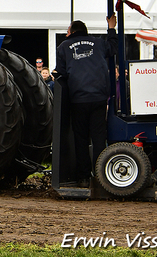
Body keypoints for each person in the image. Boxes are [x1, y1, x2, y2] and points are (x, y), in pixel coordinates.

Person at [54, 15, 117, 188]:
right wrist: (111, 27)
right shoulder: (98, 43)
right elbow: (113, 48)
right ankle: (101, 176)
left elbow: (61, 74)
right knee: (99, 138)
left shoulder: (64, 46)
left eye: (67, 31)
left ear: (72, 31)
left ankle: (83, 177)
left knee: (81, 139)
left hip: (78, 99)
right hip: (98, 98)